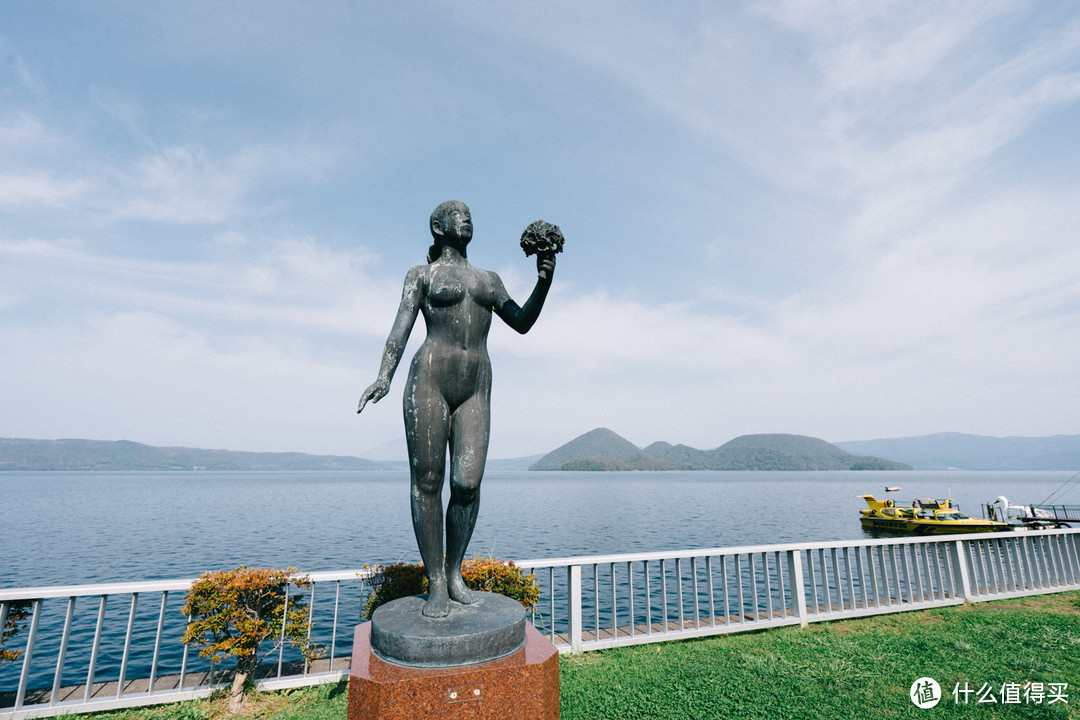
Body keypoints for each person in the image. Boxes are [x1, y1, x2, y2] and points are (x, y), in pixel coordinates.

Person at [357, 201, 555, 618]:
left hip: (475, 387)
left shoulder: (490, 279)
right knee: (428, 482)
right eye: (457, 213)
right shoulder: (421, 276)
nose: (467, 217)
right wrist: (383, 377)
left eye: (469, 214)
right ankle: (435, 585)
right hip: (428, 381)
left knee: (467, 484)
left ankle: (455, 574)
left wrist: (544, 281)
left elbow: (520, 322)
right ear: (437, 226)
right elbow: (400, 328)